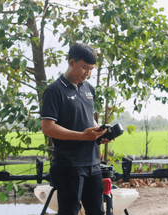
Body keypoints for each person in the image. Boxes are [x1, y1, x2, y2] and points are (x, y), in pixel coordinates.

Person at [41, 43, 110, 215]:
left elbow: (89, 120)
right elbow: (48, 128)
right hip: (68, 166)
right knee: (69, 212)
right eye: (84, 68)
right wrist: (81, 136)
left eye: (91, 69)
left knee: (97, 212)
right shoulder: (54, 91)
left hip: (93, 164)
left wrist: (100, 132)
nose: (88, 73)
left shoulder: (89, 89)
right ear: (72, 62)